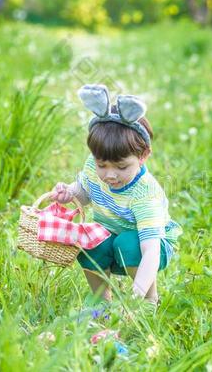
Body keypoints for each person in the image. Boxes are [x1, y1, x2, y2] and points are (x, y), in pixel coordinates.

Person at [51, 84, 181, 306]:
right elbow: (85, 193)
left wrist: (136, 295)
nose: (110, 175)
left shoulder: (144, 193)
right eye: (102, 165)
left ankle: (149, 302)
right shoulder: (93, 166)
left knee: (127, 243)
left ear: (143, 156)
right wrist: (70, 193)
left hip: (150, 246)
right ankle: (102, 304)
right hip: (112, 237)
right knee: (88, 240)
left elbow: (150, 250)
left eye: (121, 167)